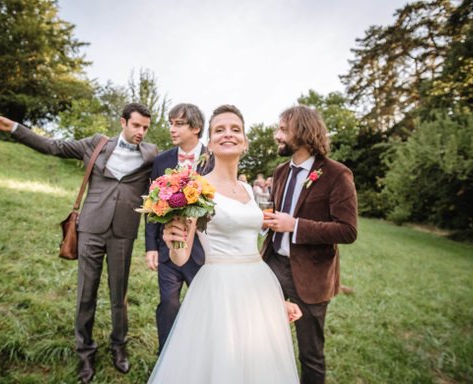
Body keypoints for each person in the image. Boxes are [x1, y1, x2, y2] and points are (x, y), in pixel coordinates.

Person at [0, 103, 158, 383]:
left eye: (145, 127)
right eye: (136, 125)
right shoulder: (96, 144)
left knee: (119, 294)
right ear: (123, 122)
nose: (141, 132)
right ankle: (85, 351)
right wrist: (14, 128)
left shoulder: (151, 154)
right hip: (91, 228)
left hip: (124, 231)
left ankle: (118, 346)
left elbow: (159, 191)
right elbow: (54, 146)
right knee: (86, 293)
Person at [148, 105, 302, 384]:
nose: (227, 134)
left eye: (235, 129)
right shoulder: (196, 188)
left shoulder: (246, 189)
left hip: (258, 286)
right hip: (218, 289)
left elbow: (251, 249)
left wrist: (274, 301)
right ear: (210, 141)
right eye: (219, 130)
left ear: (244, 141)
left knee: (257, 365)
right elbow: (181, 258)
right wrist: (173, 242)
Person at [261, 105, 358, 384]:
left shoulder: (337, 174)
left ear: (301, 131)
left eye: (282, 129)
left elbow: (348, 230)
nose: (276, 135)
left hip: (312, 276)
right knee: (262, 337)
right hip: (273, 267)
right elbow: (275, 215)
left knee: (311, 353)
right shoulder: (280, 172)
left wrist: (297, 226)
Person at [144, 103, 213, 354]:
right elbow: (151, 203)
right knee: (168, 304)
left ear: (195, 128)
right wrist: (151, 246)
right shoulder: (161, 160)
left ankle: (200, 356)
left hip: (204, 253)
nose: (172, 129)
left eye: (178, 123)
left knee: (202, 307)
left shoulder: (214, 159)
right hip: (167, 249)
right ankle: (166, 358)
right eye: (171, 123)